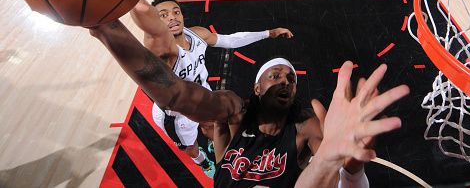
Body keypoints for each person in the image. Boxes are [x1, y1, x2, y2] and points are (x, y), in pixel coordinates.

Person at [89, 20, 409, 187]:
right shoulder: (233, 111)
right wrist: (107, 27)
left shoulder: (305, 128)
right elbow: (175, 94)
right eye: (275, 75)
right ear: (256, 87)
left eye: (290, 78)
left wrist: (350, 168)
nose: (285, 80)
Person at [130, 0, 294, 178]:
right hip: (176, 116)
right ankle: (202, 161)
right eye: (163, 15)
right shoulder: (159, 50)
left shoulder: (197, 34)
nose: (172, 17)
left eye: (176, 12)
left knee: (214, 123)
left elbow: (231, 40)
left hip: (204, 94)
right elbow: (145, 20)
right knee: (190, 146)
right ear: (156, 22)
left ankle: (212, 142)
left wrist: (268, 33)